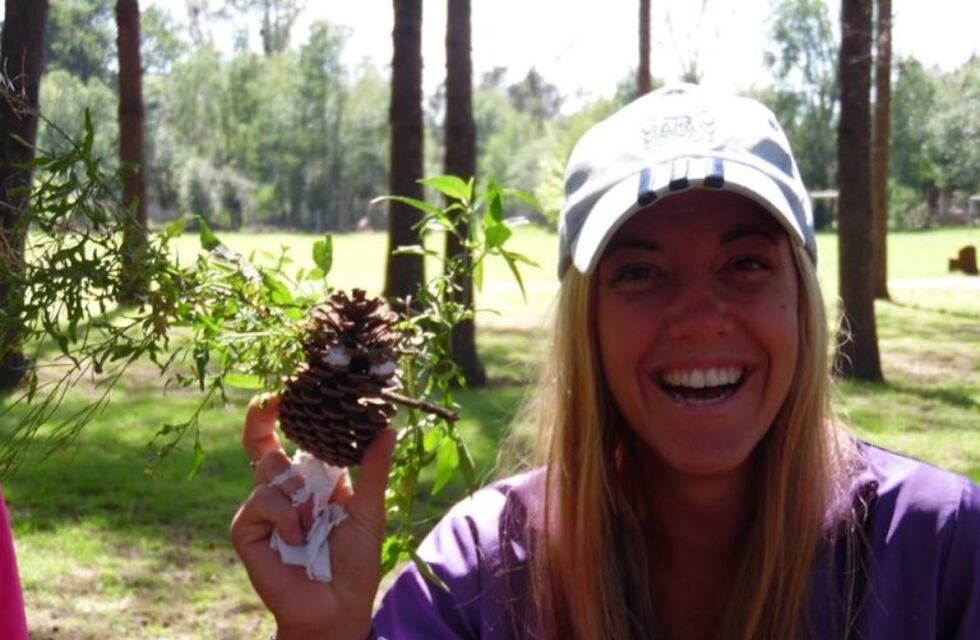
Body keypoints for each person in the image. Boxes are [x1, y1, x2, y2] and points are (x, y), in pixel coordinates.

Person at [231, 84, 980, 640]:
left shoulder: (939, 547)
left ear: (802, 299)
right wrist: (322, 633)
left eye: (746, 263)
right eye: (640, 273)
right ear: (586, 324)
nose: (697, 317)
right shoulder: (482, 572)